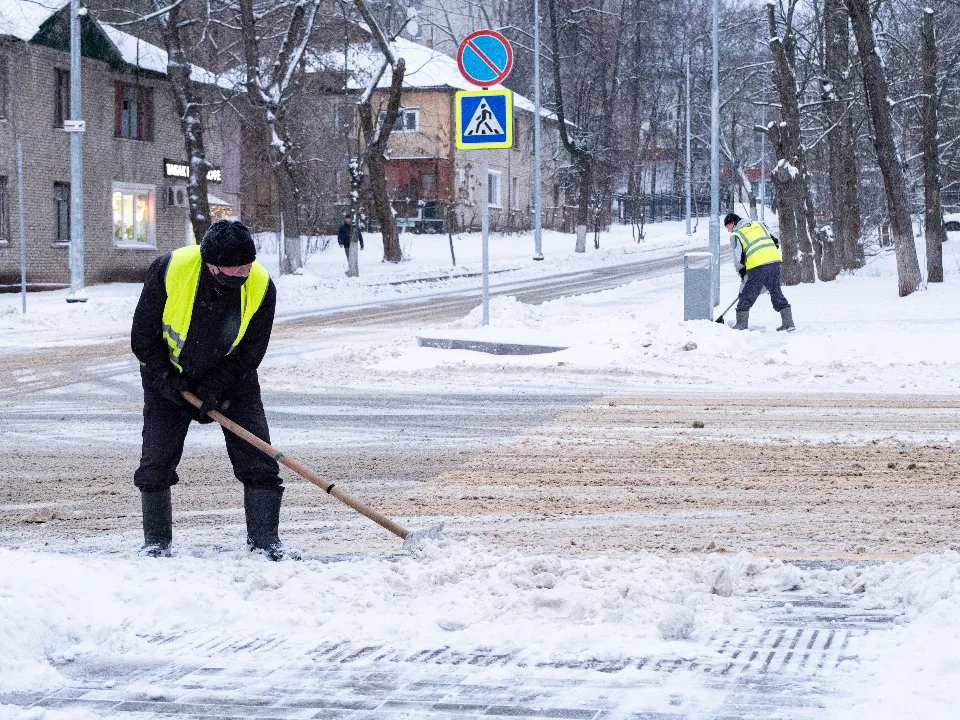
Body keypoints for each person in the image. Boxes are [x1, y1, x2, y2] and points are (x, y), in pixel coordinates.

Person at [130, 220, 294, 560]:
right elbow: (142, 338)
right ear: (209, 263)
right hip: (169, 381)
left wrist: (216, 386)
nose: (237, 280)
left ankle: (265, 543)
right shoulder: (170, 269)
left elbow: (251, 351)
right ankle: (156, 543)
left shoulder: (262, 286)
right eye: (228, 275)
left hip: (235, 381)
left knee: (260, 459)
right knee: (156, 461)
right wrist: (167, 380)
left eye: (243, 273)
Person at [724, 212, 796, 332]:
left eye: (728, 227)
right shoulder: (760, 225)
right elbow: (776, 240)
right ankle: (788, 323)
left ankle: (741, 325)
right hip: (774, 261)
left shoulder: (736, 234)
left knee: (746, 294)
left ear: (732, 223)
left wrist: (742, 272)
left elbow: (738, 258)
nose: (728, 231)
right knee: (776, 291)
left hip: (757, 265)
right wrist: (768, 254)